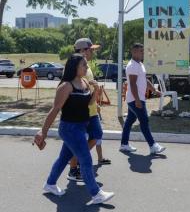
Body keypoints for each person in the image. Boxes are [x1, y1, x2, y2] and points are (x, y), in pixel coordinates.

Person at [34, 54, 114, 204]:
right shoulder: (66, 86)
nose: (86, 67)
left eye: (86, 65)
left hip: (80, 127)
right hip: (69, 129)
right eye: (83, 65)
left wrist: (96, 91)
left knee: (63, 158)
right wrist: (43, 131)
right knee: (85, 159)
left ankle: (50, 184)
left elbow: (88, 104)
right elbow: (55, 109)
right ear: (74, 67)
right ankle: (96, 194)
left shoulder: (84, 82)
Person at [67, 38, 111, 183]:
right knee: (78, 142)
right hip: (82, 111)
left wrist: (96, 103)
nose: (93, 52)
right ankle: (73, 169)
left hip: (91, 108)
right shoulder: (76, 68)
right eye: (91, 49)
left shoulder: (87, 66)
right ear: (82, 51)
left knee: (97, 134)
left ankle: (78, 160)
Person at [120, 43, 166, 154]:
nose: (142, 53)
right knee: (144, 121)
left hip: (136, 98)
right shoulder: (132, 66)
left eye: (143, 51)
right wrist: (137, 100)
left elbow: (145, 80)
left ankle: (124, 144)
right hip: (136, 99)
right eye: (140, 51)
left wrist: (154, 90)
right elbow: (132, 84)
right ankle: (153, 145)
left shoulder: (140, 64)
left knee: (130, 121)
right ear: (134, 52)